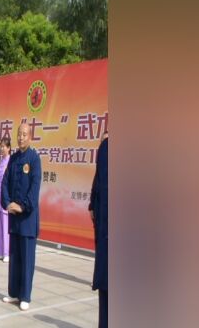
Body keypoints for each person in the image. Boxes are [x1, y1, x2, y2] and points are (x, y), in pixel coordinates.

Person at [0, 123, 42, 311]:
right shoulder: (14, 158)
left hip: (27, 219)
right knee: (15, 257)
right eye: (19, 134)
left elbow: (34, 189)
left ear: (30, 137)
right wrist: (8, 203)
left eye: (24, 134)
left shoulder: (34, 159)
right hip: (14, 218)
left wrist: (22, 206)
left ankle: (25, 295)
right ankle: (14, 293)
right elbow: (5, 183)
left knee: (27, 259)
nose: (21, 137)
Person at [89, 136, 108, 328]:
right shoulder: (105, 148)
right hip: (105, 233)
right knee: (106, 286)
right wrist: (92, 204)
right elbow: (98, 180)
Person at [0, 137, 11, 263]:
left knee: (6, 227)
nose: (2, 148)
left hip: (6, 199)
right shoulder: (0, 163)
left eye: (4, 146)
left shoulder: (11, 162)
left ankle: (7, 253)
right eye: (1, 146)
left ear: (9, 148)